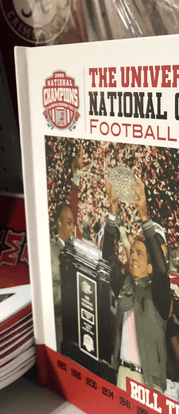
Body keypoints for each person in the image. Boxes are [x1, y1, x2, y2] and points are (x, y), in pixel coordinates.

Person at [103, 176, 171, 393]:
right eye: (131, 252)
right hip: (123, 374)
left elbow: (161, 270)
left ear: (150, 267)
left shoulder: (159, 294)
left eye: (139, 253)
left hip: (149, 381)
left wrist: (144, 216)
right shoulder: (125, 288)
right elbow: (108, 261)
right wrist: (112, 214)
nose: (132, 256)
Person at [50, 145, 83, 348]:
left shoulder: (73, 248)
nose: (73, 228)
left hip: (75, 320)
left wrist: (76, 176)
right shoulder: (50, 250)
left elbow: (74, 206)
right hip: (57, 321)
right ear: (59, 224)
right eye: (69, 223)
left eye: (73, 223)